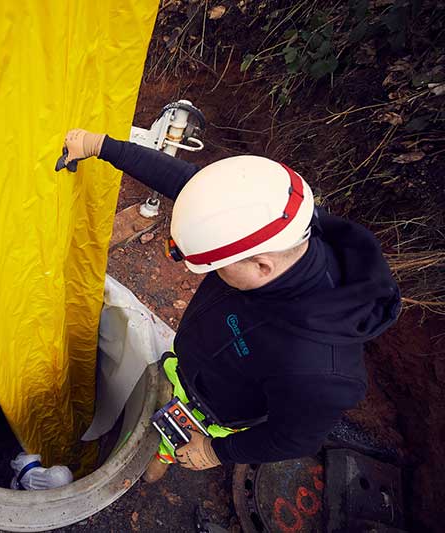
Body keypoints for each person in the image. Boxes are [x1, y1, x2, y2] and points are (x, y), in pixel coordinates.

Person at [60, 129, 400, 481]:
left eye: (216, 267)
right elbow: (195, 190)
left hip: (215, 413)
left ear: (261, 265)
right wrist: (100, 146)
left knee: (170, 452)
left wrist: (213, 451)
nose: (213, 273)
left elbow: (292, 439)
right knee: (164, 411)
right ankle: (162, 441)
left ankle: (160, 462)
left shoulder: (320, 373)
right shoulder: (280, 227)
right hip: (191, 365)